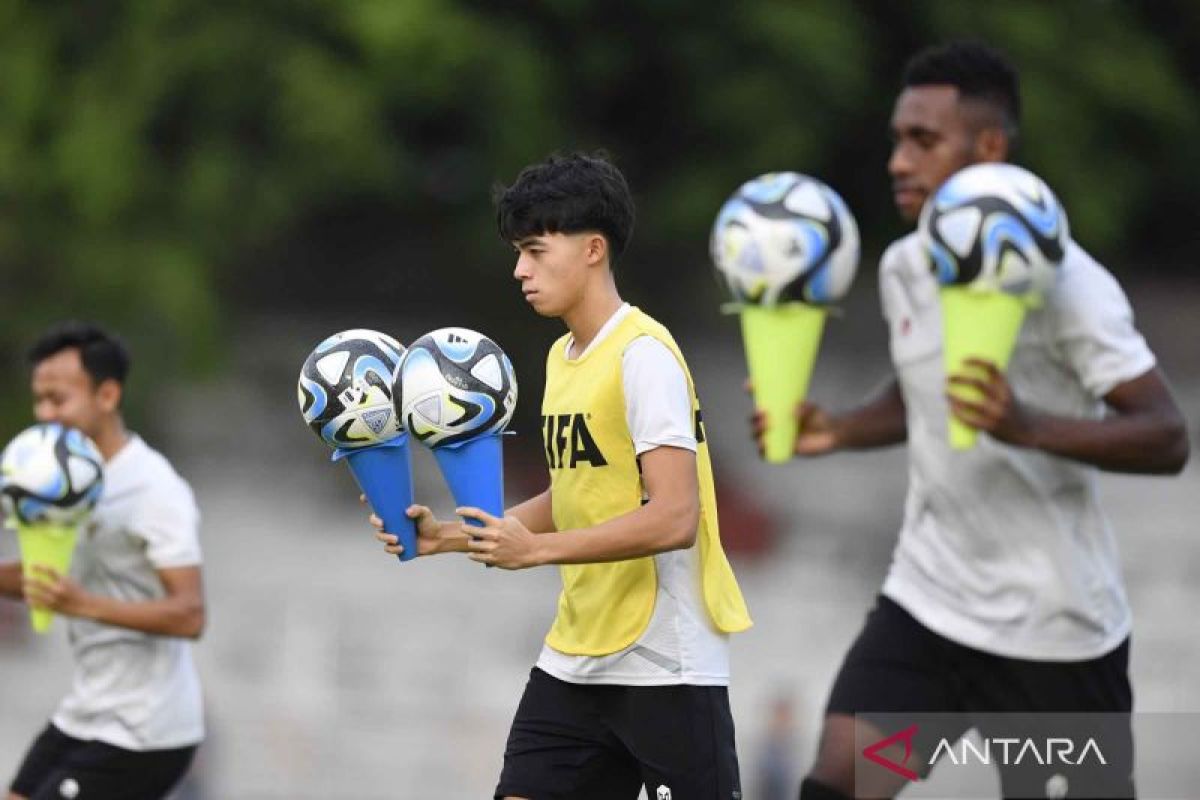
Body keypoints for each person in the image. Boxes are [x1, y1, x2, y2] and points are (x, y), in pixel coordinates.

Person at [749, 42, 1191, 799]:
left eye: (923, 140)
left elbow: (1166, 435)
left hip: (1056, 642)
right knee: (843, 780)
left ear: (990, 149)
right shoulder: (905, 268)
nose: (897, 161)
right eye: (896, 139)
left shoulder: (1071, 285)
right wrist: (841, 429)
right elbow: (922, 391)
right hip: (929, 616)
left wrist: (1029, 427)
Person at [374, 152, 753, 799]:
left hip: (666, 663)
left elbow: (676, 517)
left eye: (534, 249)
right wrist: (454, 535)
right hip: (576, 657)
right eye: (517, 252)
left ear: (592, 250)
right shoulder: (561, 357)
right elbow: (572, 493)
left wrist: (538, 551)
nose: (519, 269)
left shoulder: (644, 357)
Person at [1, 322, 206, 800]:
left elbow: (190, 614)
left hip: (146, 732)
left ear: (107, 395)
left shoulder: (154, 490)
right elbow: (44, 579)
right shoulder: (60, 482)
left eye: (58, 399)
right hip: (87, 712)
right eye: (39, 400)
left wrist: (81, 603)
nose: (44, 414)